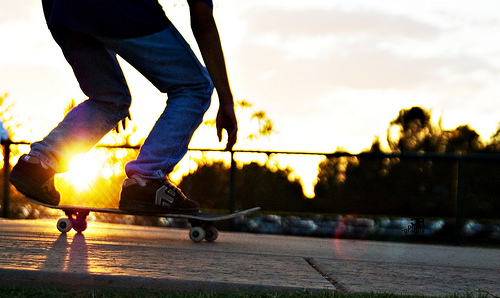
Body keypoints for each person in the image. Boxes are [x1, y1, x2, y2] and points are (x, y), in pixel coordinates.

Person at [9, 0, 237, 215]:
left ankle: (39, 163)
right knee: (194, 86)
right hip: (119, 6)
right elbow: (203, 20)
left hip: (61, 8)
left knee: (109, 98)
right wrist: (226, 100)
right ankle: (146, 180)